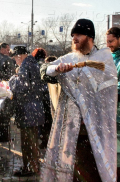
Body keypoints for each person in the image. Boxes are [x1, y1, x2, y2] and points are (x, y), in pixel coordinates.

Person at [40, 19, 117, 182]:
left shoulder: (104, 58)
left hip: (96, 130)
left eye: (79, 35)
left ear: (90, 37)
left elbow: (109, 88)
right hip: (71, 130)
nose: (74, 38)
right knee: (73, 173)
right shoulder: (70, 58)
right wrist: (56, 69)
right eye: (73, 35)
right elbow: (44, 71)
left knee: (93, 172)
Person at [9, 46, 45, 176]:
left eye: (15, 58)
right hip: (34, 108)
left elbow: (22, 86)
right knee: (32, 141)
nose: (15, 61)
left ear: (19, 56)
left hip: (28, 109)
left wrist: (12, 80)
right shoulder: (32, 62)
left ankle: (30, 168)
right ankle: (32, 166)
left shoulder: (25, 65)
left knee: (28, 142)